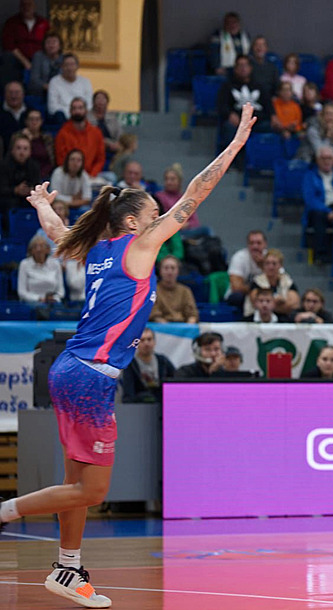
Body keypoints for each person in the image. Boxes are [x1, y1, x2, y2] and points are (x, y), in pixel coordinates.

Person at [0, 104, 255, 607]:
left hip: (70, 369)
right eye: (155, 217)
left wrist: (40, 205)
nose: (163, 221)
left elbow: (55, 230)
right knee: (92, 492)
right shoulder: (139, 247)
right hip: (91, 376)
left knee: (76, 480)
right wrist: (234, 146)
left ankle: (67, 570)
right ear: (136, 221)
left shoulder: (94, 249)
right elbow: (195, 193)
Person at [302, 146, 333, 264]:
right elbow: (310, 200)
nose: (327, 161)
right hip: (320, 209)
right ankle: (321, 255)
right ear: (318, 160)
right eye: (323, 158)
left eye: (329, 158)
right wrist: (328, 211)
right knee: (319, 216)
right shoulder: (310, 176)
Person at [217, 54, 273, 149]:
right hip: (237, 121)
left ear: (250, 68)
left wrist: (273, 115)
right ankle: (233, 162)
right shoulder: (227, 86)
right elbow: (221, 105)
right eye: (240, 65)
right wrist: (229, 114)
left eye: (245, 65)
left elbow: (268, 104)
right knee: (228, 128)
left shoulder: (259, 85)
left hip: (257, 121)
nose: (243, 68)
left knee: (271, 128)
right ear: (235, 68)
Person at [54, 97, 105, 179]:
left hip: (92, 175)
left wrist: (92, 174)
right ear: (70, 112)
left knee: (111, 178)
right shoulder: (63, 133)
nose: (77, 111)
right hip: (70, 175)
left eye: (80, 108)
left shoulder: (96, 133)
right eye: (74, 108)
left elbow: (100, 159)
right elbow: (61, 160)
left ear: (86, 110)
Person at [121, 327, 175, 403]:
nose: (146, 343)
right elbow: (128, 394)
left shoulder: (163, 361)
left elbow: (175, 382)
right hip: (138, 407)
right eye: (142, 340)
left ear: (154, 342)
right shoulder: (131, 364)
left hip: (162, 405)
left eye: (149, 339)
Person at [1, 0, 49, 83]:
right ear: (20, 7)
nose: (26, 8)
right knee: (7, 57)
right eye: (24, 5)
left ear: (34, 6)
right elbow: (8, 44)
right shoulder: (12, 22)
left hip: (39, 58)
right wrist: (25, 61)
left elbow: (49, 41)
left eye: (29, 5)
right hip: (17, 58)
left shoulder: (43, 23)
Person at [0, 132, 40, 231]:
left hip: (29, 199)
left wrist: (31, 190)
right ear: (12, 150)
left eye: (25, 149)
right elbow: (1, 188)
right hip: (8, 200)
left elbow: (37, 185)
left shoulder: (34, 166)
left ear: (30, 151)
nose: (22, 152)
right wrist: (15, 190)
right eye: (18, 148)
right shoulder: (3, 166)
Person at [248, 248, 300, 317]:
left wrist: (269, 304)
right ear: (263, 265)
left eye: (274, 264)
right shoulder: (256, 282)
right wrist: (279, 302)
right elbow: (255, 302)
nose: (271, 267)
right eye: (267, 263)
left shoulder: (288, 281)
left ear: (280, 265)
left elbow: (294, 304)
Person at [225, 229, 267, 310]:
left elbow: (279, 280)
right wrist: (256, 290)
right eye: (252, 243)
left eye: (258, 243)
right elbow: (236, 287)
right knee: (237, 297)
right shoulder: (239, 257)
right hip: (243, 296)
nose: (255, 246)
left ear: (265, 244)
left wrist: (263, 266)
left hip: (266, 296)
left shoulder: (270, 258)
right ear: (247, 245)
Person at [149, 255, 199, 324]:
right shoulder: (153, 290)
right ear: (160, 271)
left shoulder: (185, 291)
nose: (169, 272)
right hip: (160, 328)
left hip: (183, 327)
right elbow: (154, 314)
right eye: (166, 268)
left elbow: (192, 314)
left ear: (178, 271)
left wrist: (189, 327)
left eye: (173, 268)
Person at [17, 234, 64, 304]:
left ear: (47, 250)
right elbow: (22, 292)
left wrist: (53, 298)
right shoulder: (24, 264)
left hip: (52, 303)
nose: (38, 249)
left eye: (42, 246)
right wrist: (39, 299)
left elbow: (61, 292)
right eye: (35, 247)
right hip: (31, 303)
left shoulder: (55, 264)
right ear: (31, 250)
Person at [47, 54, 93, 123]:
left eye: (72, 64)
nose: (69, 68)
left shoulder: (85, 82)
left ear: (77, 66)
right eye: (66, 65)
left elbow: (89, 104)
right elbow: (52, 107)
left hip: (82, 117)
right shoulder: (54, 82)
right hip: (63, 119)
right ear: (61, 67)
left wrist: (78, 112)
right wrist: (72, 113)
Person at [209, 12, 250, 76]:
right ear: (225, 24)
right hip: (226, 69)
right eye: (229, 23)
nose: (232, 25)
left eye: (234, 22)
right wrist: (217, 66)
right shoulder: (217, 36)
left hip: (243, 69)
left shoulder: (245, 36)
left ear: (239, 24)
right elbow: (213, 52)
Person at [87, 90, 124, 159]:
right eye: (98, 99)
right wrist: (107, 143)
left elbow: (120, 134)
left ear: (107, 102)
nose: (100, 101)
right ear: (93, 102)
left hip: (113, 149)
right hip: (94, 149)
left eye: (103, 99)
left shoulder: (113, 117)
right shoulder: (87, 117)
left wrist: (118, 144)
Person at [21, 108, 55, 180]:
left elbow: (51, 159)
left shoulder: (47, 138)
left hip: (46, 175)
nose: (34, 122)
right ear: (26, 121)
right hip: (25, 175)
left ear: (41, 121)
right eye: (31, 119)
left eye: (37, 119)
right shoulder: (19, 137)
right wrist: (28, 140)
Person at [28, 30, 63, 97]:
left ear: (60, 45)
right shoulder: (38, 56)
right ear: (44, 45)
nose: (51, 45)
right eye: (48, 42)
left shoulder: (64, 59)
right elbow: (34, 79)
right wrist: (47, 87)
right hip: (40, 92)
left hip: (59, 93)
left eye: (54, 42)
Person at [0, 80, 28, 152]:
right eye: (10, 92)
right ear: (5, 94)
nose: (13, 96)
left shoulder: (31, 112)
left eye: (17, 92)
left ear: (23, 94)